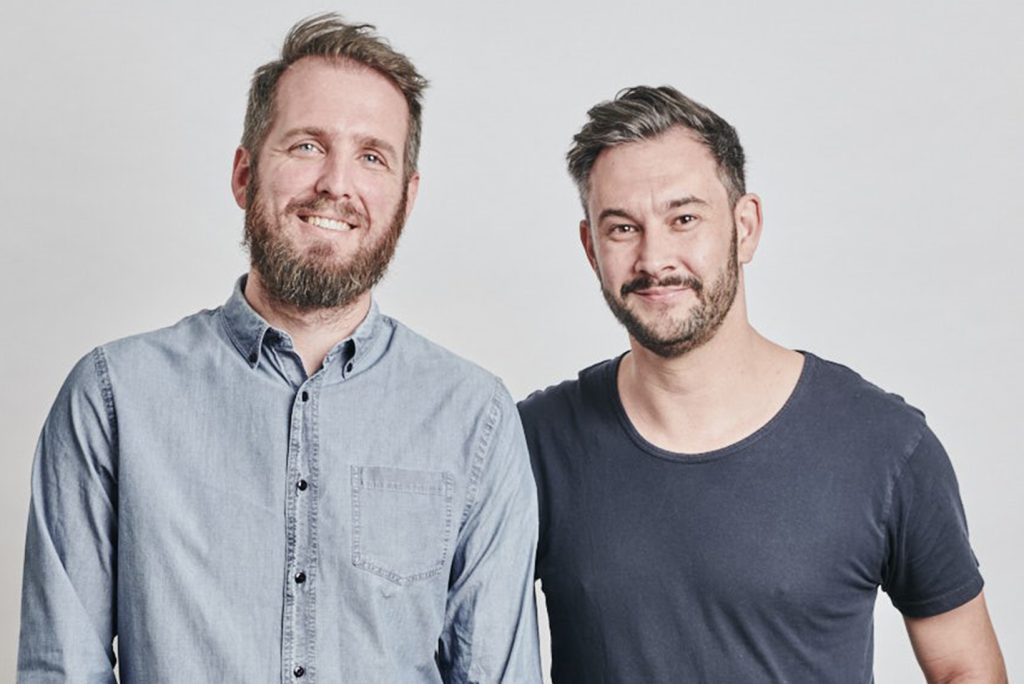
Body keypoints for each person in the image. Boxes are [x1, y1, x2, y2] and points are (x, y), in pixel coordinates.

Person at [18, 14, 541, 683]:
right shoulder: (113, 398)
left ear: (406, 199)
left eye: (372, 156)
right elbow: (60, 668)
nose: (336, 184)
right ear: (244, 174)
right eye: (306, 145)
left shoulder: (474, 418)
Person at [519, 86, 1006, 682]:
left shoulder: (884, 446)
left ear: (744, 227)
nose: (655, 258)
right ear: (591, 249)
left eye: (684, 219)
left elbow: (966, 667)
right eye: (622, 228)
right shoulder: (532, 445)